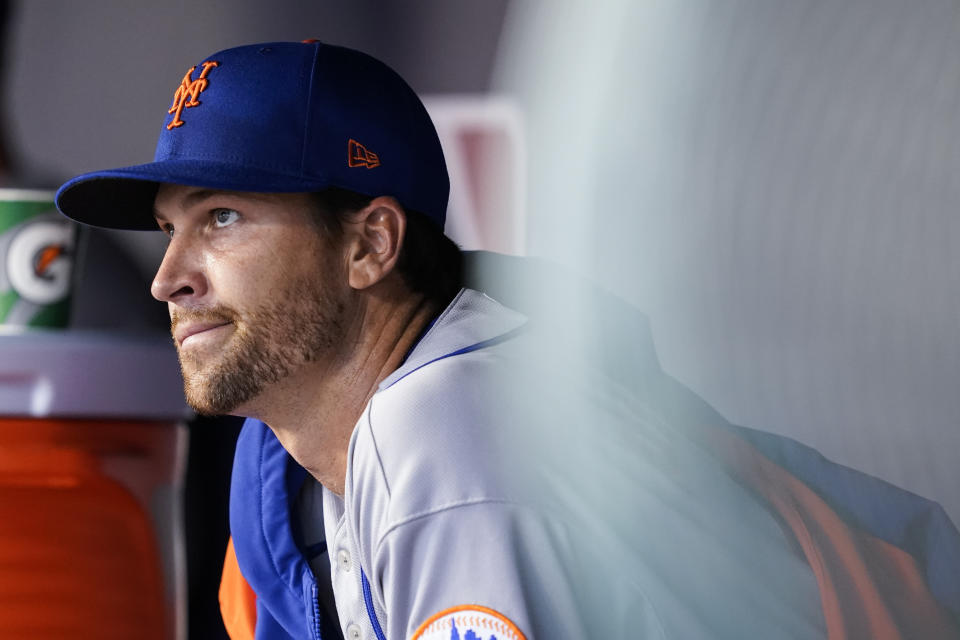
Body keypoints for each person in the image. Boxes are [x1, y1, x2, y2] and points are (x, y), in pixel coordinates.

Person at [56, 41, 960, 640]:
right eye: (169, 228)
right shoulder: (288, 474)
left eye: (221, 218)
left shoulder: (453, 429)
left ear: (370, 245)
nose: (167, 276)